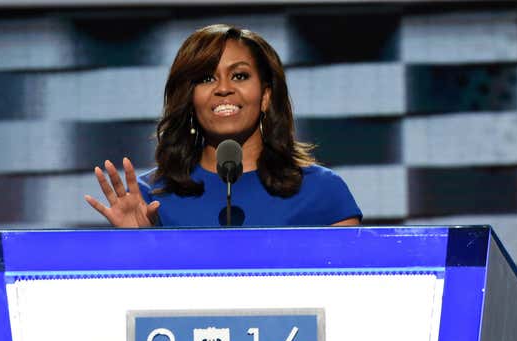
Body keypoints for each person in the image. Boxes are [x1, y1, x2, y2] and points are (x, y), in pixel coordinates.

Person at [84, 24, 361, 227]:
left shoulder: (322, 192)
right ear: (189, 99)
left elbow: (348, 294)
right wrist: (141, 247)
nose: (224, 89)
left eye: (239, 76)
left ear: (265, 96)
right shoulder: (149, 199)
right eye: (206, 79)